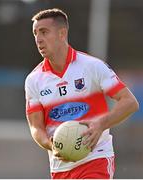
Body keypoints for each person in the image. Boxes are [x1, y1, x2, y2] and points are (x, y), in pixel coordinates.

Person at [24, 8, 139, 179]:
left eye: (44, 32)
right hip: (60, 168)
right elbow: (36, 127)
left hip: (96, 158)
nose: (38, 39)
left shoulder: (92, 66)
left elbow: (130, 102)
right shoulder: (33, 80)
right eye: (35, 33)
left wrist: (100, 124)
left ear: (62, 33)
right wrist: (50, 144)